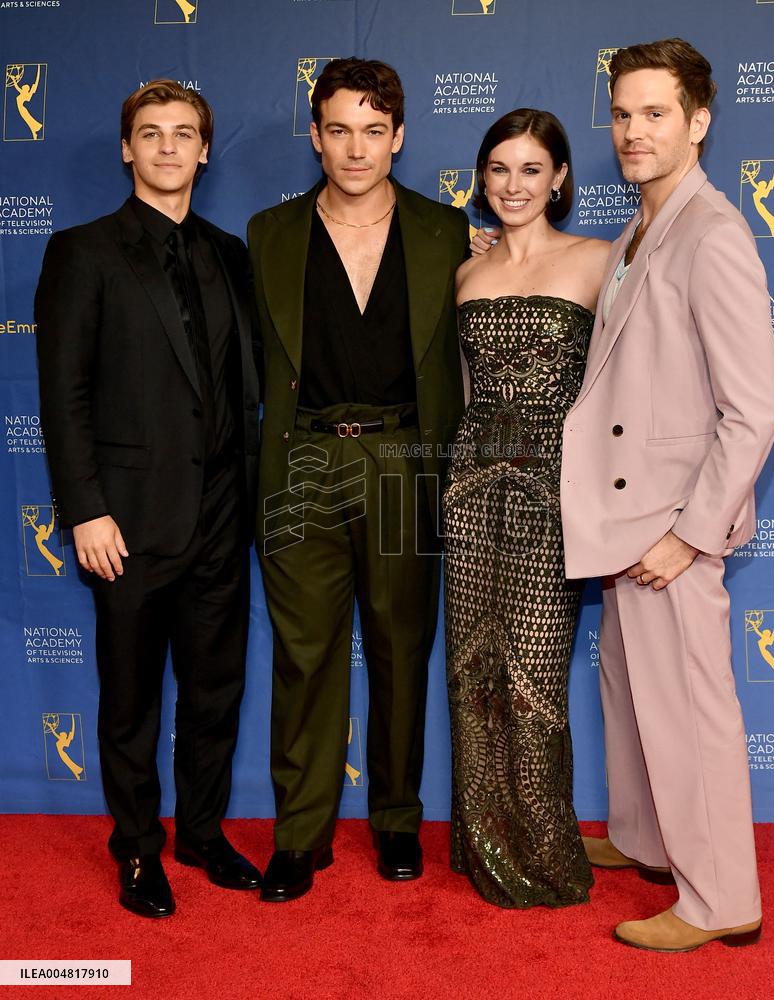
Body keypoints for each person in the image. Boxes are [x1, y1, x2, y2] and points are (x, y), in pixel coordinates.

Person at [560, 39, 774, 951]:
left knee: (688, 706)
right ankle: (647, 840)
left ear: (699, 122)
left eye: (655, 113)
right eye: (622, 114)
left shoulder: (713, 230)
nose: (633, 132)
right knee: (631, 690)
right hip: (628, 514)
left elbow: (754, 410)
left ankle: (722, 897)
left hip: (668, 524)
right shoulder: (643, 226)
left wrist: (690, 536)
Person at [35, 80, 263, 918]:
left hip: (222, 518)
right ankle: (137, 851)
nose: (168, 147)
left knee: (215, 692)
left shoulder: (231, 253)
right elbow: (64, 396)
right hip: (124, 524)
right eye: (150, 133)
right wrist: (84, 509)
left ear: (206, 151)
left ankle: (201, 833)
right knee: (130, 703)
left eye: (184, 134)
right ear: (128, 149)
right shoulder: (82, 251)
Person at [248, 58, 472, 902]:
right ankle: (300, 836)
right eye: (338, 129)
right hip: (302, 458)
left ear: (400, 137)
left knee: (400, 650)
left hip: (404, 460)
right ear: (315, 135)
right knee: (304, 659)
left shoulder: (447, 230)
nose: (355, 148)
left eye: (373, 131)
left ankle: (397, 821)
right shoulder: (267, 234)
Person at [443, 109, 610, 907]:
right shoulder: (464, 272)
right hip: (472, 483)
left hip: (555, 485)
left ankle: (544, 848)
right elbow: (466, 393)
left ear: (560, 179)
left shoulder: (600, 262)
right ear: (483, 178)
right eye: (499, 169)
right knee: (473, 668)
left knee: (535, 672)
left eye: (531, 170)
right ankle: (483, 842)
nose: (513, 185)